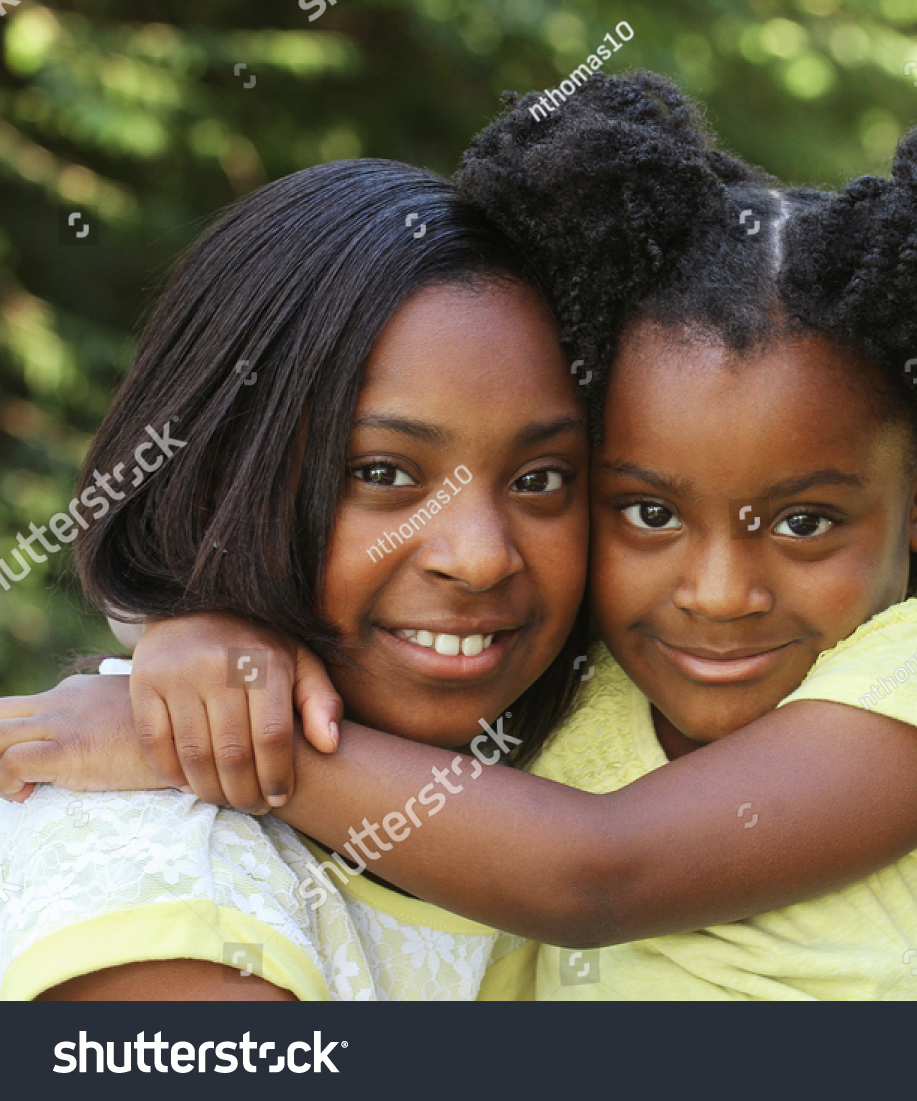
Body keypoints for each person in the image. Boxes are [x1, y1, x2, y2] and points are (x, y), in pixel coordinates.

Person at [2, 72, 917, 999]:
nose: (718, 591)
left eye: (806, 520)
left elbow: (594, 875)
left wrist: (190, 740)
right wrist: (192, 637)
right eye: (646, 510)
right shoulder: (596, 693)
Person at [0, 158, 593, 1000]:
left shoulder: (607, 742)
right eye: (383, 473)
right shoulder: (177, 880)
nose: (480, 556)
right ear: (212, 480)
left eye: (541, 478)